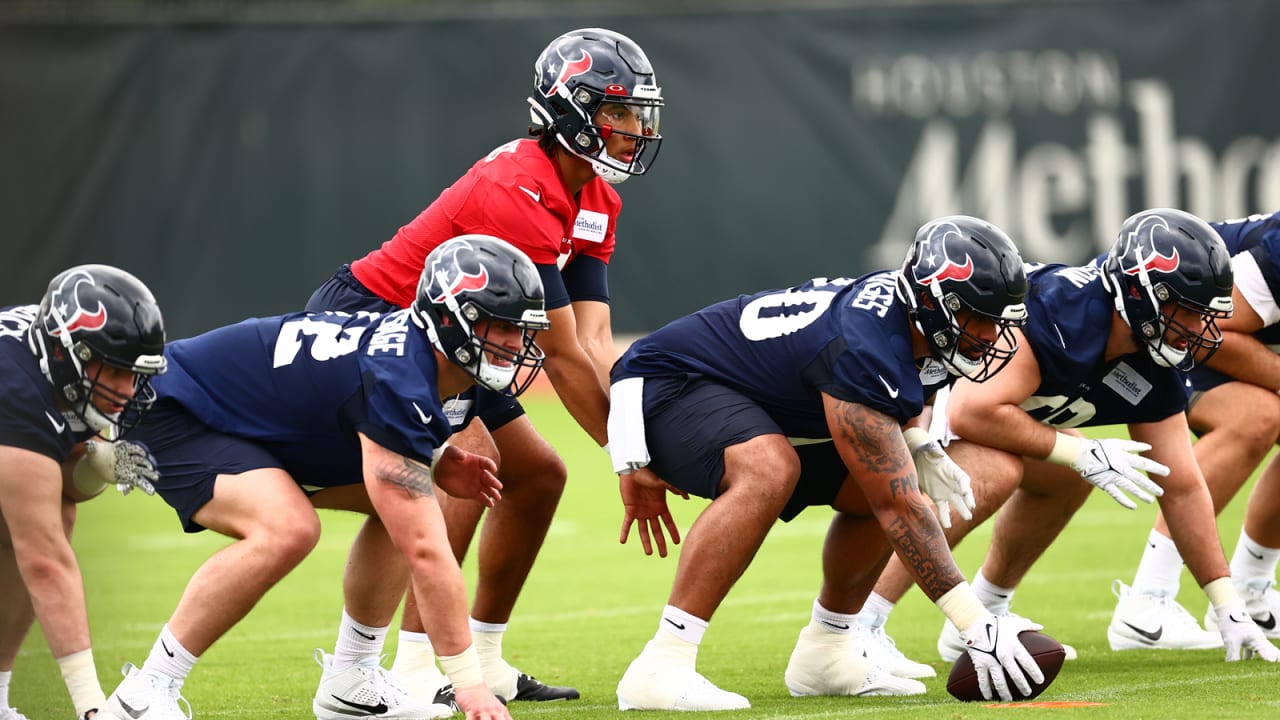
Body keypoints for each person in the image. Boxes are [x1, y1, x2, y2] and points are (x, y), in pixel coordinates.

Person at [305, 27, 672, 704]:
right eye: (616, 111)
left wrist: (645, 436)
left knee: (539, 474)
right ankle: (417, 665)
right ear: (569, 109)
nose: (632, 127)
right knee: (466, 470)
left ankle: (484, 656)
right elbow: (560, 358)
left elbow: (593, 342)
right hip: (380, 323)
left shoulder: (597, 198)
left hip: (457, 337)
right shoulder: (519, 187)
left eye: (636, 111)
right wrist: (632, 461)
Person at [606, 216, 1047, 710]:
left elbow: (895, 421)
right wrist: (976, 625)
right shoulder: (866, 344)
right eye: (977, 317)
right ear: (932, 300)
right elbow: (900, 508)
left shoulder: (915, 327)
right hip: (667, 384)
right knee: (774, 470)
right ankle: (663, 662)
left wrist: (918, 444)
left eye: (997, 319)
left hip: (757, 400)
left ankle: (828, 650)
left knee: (872, 486)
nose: (990, 335)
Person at [103, 236, 539, 720]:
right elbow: (426, 552)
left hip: (254, 423)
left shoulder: (441, 364)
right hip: (175, 410)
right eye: (502, 326)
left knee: (408, 502)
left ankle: (351, 679)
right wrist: (468, 684)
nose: (515, 345)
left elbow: (338, 404)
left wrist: (434, 459)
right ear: (448, 318)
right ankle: (143, 693)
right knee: (289, 528)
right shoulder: (399, 375)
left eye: (521, 330)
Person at [851, 208, 1280, 674]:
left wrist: (1225, 601)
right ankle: (862, 624)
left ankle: (985, 609)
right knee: (997, 470)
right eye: (1189, 312)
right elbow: (973, 409)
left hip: (972, 410)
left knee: (1067, 476)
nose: (1200, 329)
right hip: (914, 405)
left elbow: (1183, 485)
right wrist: (1078, 450)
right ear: (1140, 296)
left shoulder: (1151, 356)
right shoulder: (1067, 317)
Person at [0, 264, 166, 720]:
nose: (126, 390)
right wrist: (93, 708)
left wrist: (94, 466)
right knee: (41, 542)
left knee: (55, 512)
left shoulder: (51, 356)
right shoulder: (14, 387)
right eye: (114, 370)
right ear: (69, 350)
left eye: (134, 374)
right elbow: (45, 563)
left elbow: (66, 493)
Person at [1109, 211, 1280, 649]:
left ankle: (1252, 591)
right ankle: (1148, 600)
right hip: (1163, 338)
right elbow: (1209, 329)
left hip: (1211, 341)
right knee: (1259, 415)